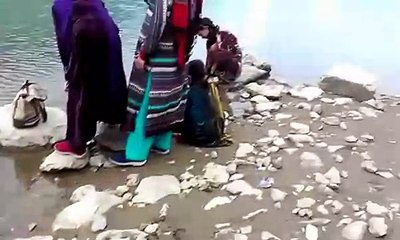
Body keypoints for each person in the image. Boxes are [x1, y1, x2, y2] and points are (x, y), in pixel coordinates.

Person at [110, 0, 203, 166]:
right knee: (167, 99)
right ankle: (161, 143)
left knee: (146, 102)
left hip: (158, 57)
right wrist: (186, 54)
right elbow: (195, 24)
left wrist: (144, 55)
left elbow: (157, 25)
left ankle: (136, 154)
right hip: (177, 56)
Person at [50, 0, 127, 160]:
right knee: (110, 79)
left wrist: (68, 71)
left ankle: (77, 144)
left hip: (85, 38)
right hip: (109, 36)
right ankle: (113, 119)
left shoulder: (60, 5)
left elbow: (64, 38)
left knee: (79, 89)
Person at [197, 17, 242, 82]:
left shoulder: (223, 36)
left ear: (206, 27)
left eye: (200, 33)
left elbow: (228, 55)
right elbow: (210, 60)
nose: (199, 35)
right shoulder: (210, 42)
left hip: (232, 70)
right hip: (223, 71)